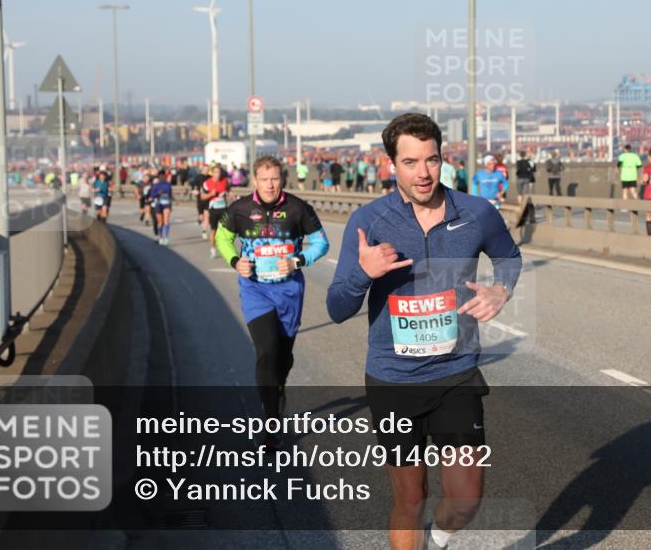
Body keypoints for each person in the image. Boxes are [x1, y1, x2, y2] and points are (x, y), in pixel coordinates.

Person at [326, 113, 521, 550]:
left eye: (431, 160)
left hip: (456, 373)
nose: (423, 173)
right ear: (391, 164)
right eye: (411, 162)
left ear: (442, 159)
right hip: (393, 379)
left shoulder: (475, 213)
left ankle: (438, 539)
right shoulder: (369, 221)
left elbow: (509, 257)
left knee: (467, 498)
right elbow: (337, 308)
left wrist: (501, 290)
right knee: (411, 498)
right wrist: (363, 274)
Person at [215, 156, 329, 445]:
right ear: (254, 180)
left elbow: (321, 242)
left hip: (289, 290)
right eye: (264, 179)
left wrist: (298, 261)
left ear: (282, 180)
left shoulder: (297, 208)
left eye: (275, 179)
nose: (270, 185)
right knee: (266, 351)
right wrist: (233, 260)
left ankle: (278, 387)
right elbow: (222, 237)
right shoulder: (240, 209)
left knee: (283, 357)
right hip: (255, 289)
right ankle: (271, 423)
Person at [202, 165, 231, 258]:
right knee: (213, 230)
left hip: (223, 208)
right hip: (213, 209)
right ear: (212, 173)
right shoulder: (207, 183)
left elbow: (228, 191)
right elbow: (202, 197)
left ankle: (225, 248)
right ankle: (212, 249)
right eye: (216, 172)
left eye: (219, 172)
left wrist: (230, 195)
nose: (218, 174)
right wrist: (211, 194)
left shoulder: (224, 181)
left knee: (226, 230)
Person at [148, 170, 174, 245]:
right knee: (160, 222)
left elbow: (170, 194)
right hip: (158, 204)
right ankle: (161, 237)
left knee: (166, 220)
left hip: (166, 204)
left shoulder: (168, 185)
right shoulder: (156, 185)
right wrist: (157, 193)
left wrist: (172, 201)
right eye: (160, 176)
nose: (162, 177)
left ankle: (166, 237)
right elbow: (152, 195)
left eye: (163, 176)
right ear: (159, 177)